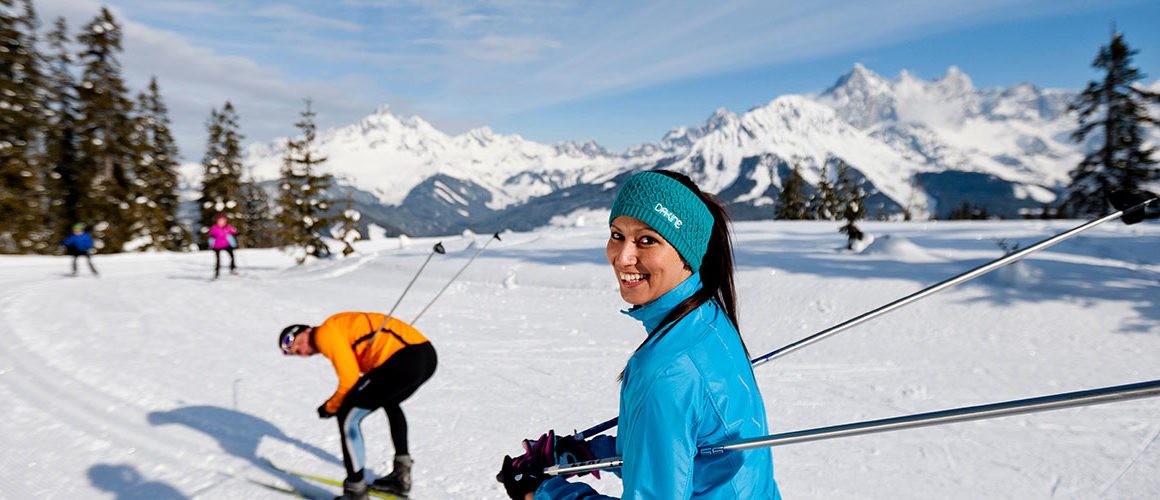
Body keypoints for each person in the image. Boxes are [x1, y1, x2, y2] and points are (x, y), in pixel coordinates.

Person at [498, 170, 781, 499]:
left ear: (687, 252)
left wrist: (545, 492)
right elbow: (682, 448)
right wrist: (588, 453)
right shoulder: (708, 320)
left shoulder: (666, 369)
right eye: (617, 235)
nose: (622, 256)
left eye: (647, 240)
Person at [281, 312, 438, 500]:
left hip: (405, 359)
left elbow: (349, 380)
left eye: (296, 342)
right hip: (425, 356)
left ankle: (355, 491)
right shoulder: (336, 328)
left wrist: (330, 407)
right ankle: (400, 476)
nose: (299, 349)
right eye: (294, 352)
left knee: (347, 415)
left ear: (307, 330)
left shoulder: (323, 333)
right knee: (389, 401)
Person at [207, 214, 238, 279]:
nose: (221, 222)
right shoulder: (214, 227)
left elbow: (233, 232)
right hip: (217, 246)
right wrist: (212, 238)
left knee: (232, 256)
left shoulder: (228, 227)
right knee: (218, 260)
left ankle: (232, 269)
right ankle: (217, 274)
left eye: (222, 221)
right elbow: (210, 234)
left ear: (225, 221)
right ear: (217, 221)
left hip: (226, 244)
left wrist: (237, 234)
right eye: (220, 221)